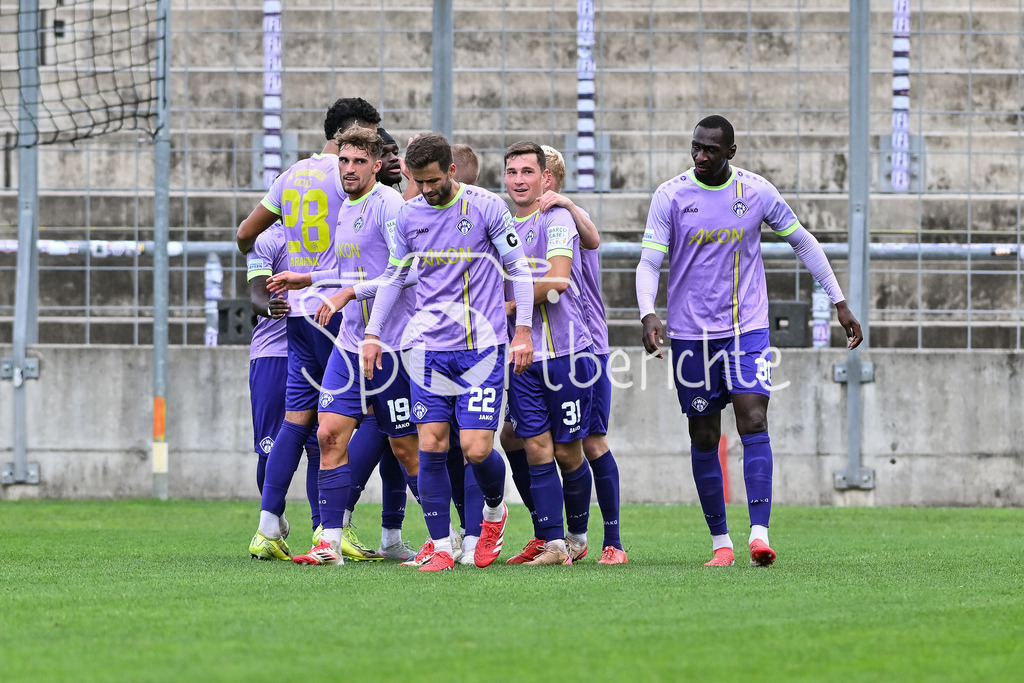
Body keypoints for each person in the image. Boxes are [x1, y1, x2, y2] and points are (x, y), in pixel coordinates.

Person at [635, 114, 863, 567]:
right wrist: (647, 312)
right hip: (691, 334)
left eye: (710, 150)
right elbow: (649, 261)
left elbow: (803, 241)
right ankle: (721, 544)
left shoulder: (756, 192)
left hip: (746, 329)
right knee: (703, 433)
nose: (700, 156)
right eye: (695, 147)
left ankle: (759, 535)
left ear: (731, 153)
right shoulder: (671, 195)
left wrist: (839, 301)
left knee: (753, 417)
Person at [361, 132, 536, 571]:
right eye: (419, 181)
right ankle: (441, 545)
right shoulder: (408, 216)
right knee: (432, 445)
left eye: (434, 180)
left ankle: (494, 511)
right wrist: (373, 333)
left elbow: (518, 269)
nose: (427, 189)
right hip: (427, 351)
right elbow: (394, 277)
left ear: (451, 171)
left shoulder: (486, 206)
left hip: (481, 349)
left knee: (476, 448)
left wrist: (524, 331)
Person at [237, 97, 382, 562]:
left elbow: (246, 235)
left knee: (297, 425)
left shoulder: (290, 176)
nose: (368, 154)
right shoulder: (349, 179)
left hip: (296, 312)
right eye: (367, 139)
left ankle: (267, 529)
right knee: (357, 424)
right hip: (336, 310)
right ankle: (332, 531)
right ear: (352, 133)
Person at [267, 126, 420, 566]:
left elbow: (407, 272)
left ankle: (441, 539)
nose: (349, 169)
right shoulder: (347, 206)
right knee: (329, 433)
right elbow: (342, 264)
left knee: (407, 448)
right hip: (351, 343)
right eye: (344, 161)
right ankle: (328, 542)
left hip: (392, 346)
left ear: (376, 165)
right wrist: (308, 277)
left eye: (358, 162)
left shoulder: (390, 205)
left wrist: (349, 294)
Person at [501, 141, 595, 566]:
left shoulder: (556, 219)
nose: (519, 180)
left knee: (567, 451)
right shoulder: (500, 225)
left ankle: (578, 536)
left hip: (566, 353)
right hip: (522, 356)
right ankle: (554, 544)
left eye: (527, 172)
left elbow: (558, 279)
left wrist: (503, 306)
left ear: (545, 179)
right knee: (533, 446)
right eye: (512, 172)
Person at [245, 222, 321, 542]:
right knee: (270, 447)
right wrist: (269, 305)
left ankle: (323, 528)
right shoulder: (268, 239)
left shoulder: (326, 232)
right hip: (273, 354)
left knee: (321, 444)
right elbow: (256, 294)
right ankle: (271, 516)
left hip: (316, 351)